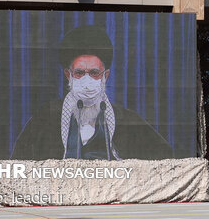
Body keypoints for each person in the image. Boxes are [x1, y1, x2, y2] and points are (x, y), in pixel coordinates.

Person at [10, 25, 171, 160]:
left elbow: (165, 158)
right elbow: (18, 163)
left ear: (105, 76)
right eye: (79, 73)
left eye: (94, 73)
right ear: (69, 75)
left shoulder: (126, 119)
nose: (87, 81)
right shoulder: (46, 117)